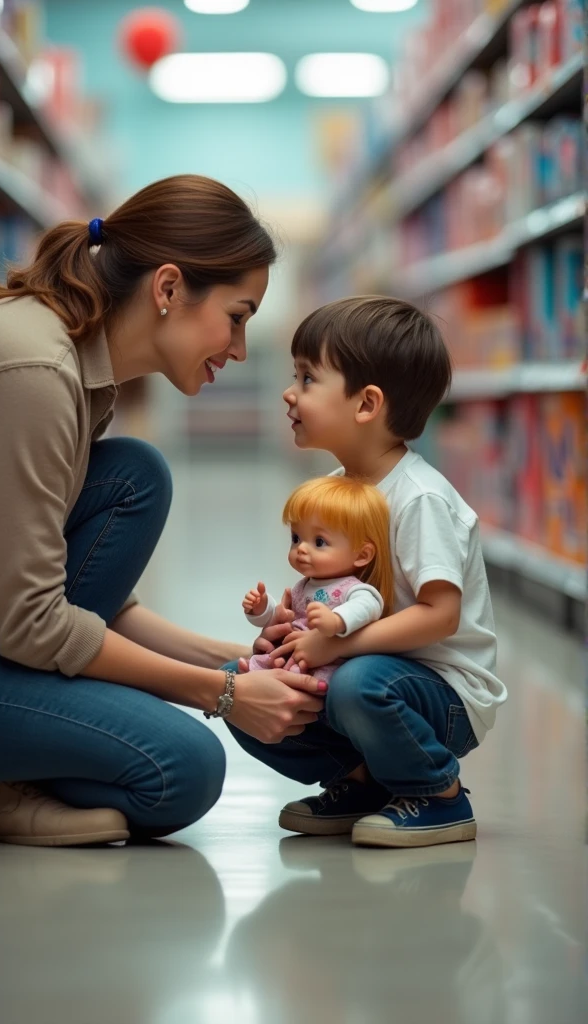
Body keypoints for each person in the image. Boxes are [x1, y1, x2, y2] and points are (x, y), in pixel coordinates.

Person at [0, 174, 325, 848]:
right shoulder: (35, 371)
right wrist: (220, 697)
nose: (242, 348)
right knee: (182, 766)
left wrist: (236, 665)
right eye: (238, 316)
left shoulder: (78, 368)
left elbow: (94, 602)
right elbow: (34, 624)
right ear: (167, 289)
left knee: (134, 475)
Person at [228, 296, 508, 848]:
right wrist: (291, 631)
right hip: (367, 675)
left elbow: (441, 616)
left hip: (443, 695)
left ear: (366, 404)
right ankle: (361, 783)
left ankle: (438, 795)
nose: (290, 392)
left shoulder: (420, 497)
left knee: (359, 683)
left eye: (307, 378)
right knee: (241, 686)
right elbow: (333, 591)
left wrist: (337, 649)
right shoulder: (341, 488)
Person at [241, 475, 393, 687]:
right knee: (263, 662)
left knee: (319, 678)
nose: (301, 548)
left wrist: (336, 621)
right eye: (296, 538)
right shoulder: (302, 586)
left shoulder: (352, 589)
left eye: (319, 542)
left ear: (361, 555)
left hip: (328, 661)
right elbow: (280, 619)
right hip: (295, 652)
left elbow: (369, 606)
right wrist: (262, 609)